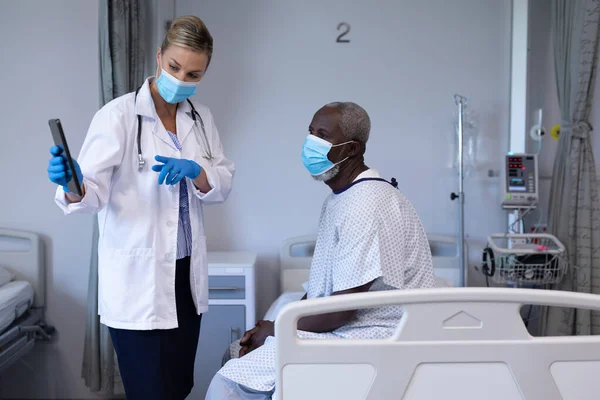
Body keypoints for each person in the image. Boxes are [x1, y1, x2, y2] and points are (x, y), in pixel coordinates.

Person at [46, 15, 235, 400]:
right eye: (175, 67)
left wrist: (198, 171)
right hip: (138, 281)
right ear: (158, 55)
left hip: (185, 279)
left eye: (194, 74)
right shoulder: (117, 116)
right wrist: (71, 183)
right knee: (149, 391)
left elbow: (222, 182)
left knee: (179, 386)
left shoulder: (201, 119)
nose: (182, 79)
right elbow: (90, 196)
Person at [205, 102, 435, 399]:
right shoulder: (343, 197)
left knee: (227, 384)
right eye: (310, 132)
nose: (311, 142)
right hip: (347, 328)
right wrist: (278, 322)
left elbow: (341, 309)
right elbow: (326, 287)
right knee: (239, 350)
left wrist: (278, 328)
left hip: (371, 336)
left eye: (323, 135)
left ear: (352, 149)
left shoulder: (366, 203)